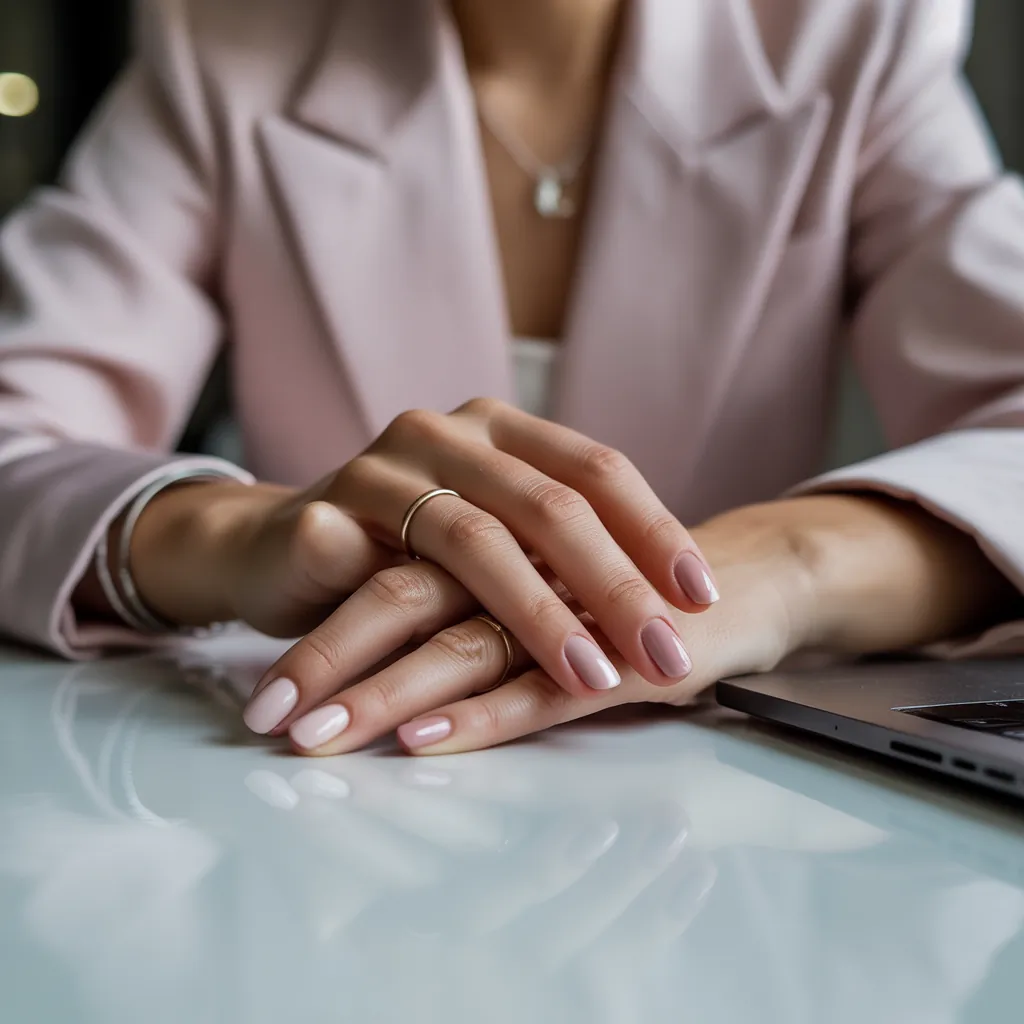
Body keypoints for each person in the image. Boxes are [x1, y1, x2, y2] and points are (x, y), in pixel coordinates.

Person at [1, 0, 1023, 757]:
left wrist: (776, 566)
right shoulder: (219, 40)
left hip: (714, 807)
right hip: (333, 798)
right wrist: (234, 537)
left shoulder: (852, 34)